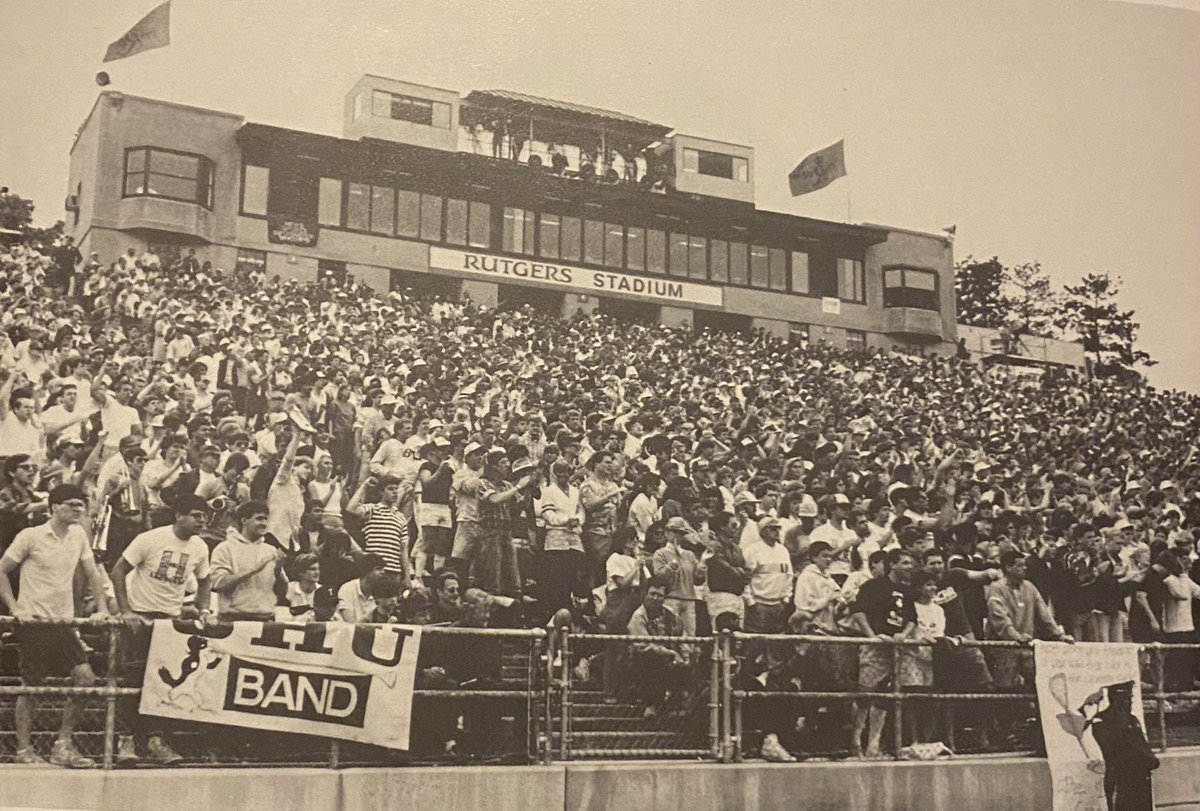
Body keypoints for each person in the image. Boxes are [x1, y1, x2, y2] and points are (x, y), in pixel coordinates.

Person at [0, 484, 110, 768]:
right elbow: (2, 571)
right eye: (72, 504)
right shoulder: (30, 536)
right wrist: (15, 609)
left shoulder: (79, 536)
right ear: (54, 508)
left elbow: (93, 572)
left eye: (81, 504)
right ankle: (23, 750)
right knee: (33, 687)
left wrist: (102, 608)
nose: (78, 509)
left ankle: (63, 745)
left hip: (63, 622)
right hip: (34, 621)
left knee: (85, 678)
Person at [109, 494, 217, 765]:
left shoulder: (200, 546)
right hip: (141, 618)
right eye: (195, 515)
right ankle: (126, 741)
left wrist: (204, 609)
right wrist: (126, 610)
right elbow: (118, 571)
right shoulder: (151, 539)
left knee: (165, 682)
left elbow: (205, 581)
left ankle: (156, 740)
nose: (201, 521)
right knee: (133, 681)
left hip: (170, 622)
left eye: (204, 516)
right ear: (178, 515)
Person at [848, 548, 917, 758]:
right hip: (876, 648)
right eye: (905, 563)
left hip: (895, 651)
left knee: (886, 698)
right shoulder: (873, 586)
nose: (910, 567)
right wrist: (872, 636)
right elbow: (858, 612)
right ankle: (855, 741)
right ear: (893, 564)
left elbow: (912, 620)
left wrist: (903, 635)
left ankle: (873, 744)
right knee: (865, 695)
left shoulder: (906, 591)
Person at [1089, 680, 1159, 811]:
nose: (1130, 703)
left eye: (1130, 699)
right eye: (1126, 699)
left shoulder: (1132, 720)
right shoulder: (1101, 721)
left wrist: (1151, 759)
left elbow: (1143, 747)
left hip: (1140, 779)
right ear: (1115, 700)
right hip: (1120, 780)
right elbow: (1113, 750)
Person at [209, 500, 284, 622]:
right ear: (244, 521)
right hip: (233, 619)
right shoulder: (224, 548)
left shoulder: (271, 550)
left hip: (265, 619)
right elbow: (219, 584)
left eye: (266, 519)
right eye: (259, 519)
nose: (264, 523)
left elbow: (281, 592)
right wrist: (253, 570)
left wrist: (278, 571)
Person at [626, 578, 688, 718]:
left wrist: (686, 656)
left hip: (669, 657)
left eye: (659, 595)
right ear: (645, 594)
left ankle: (678, 705)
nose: (655, 598)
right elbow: (643, 645)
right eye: (652, 594)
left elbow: (683, 636)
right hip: (642, 660)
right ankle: (651, 705)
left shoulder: (671, 614)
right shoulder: (639, 615)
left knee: (691, 660)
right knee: (653, 659)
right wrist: (671, 653)